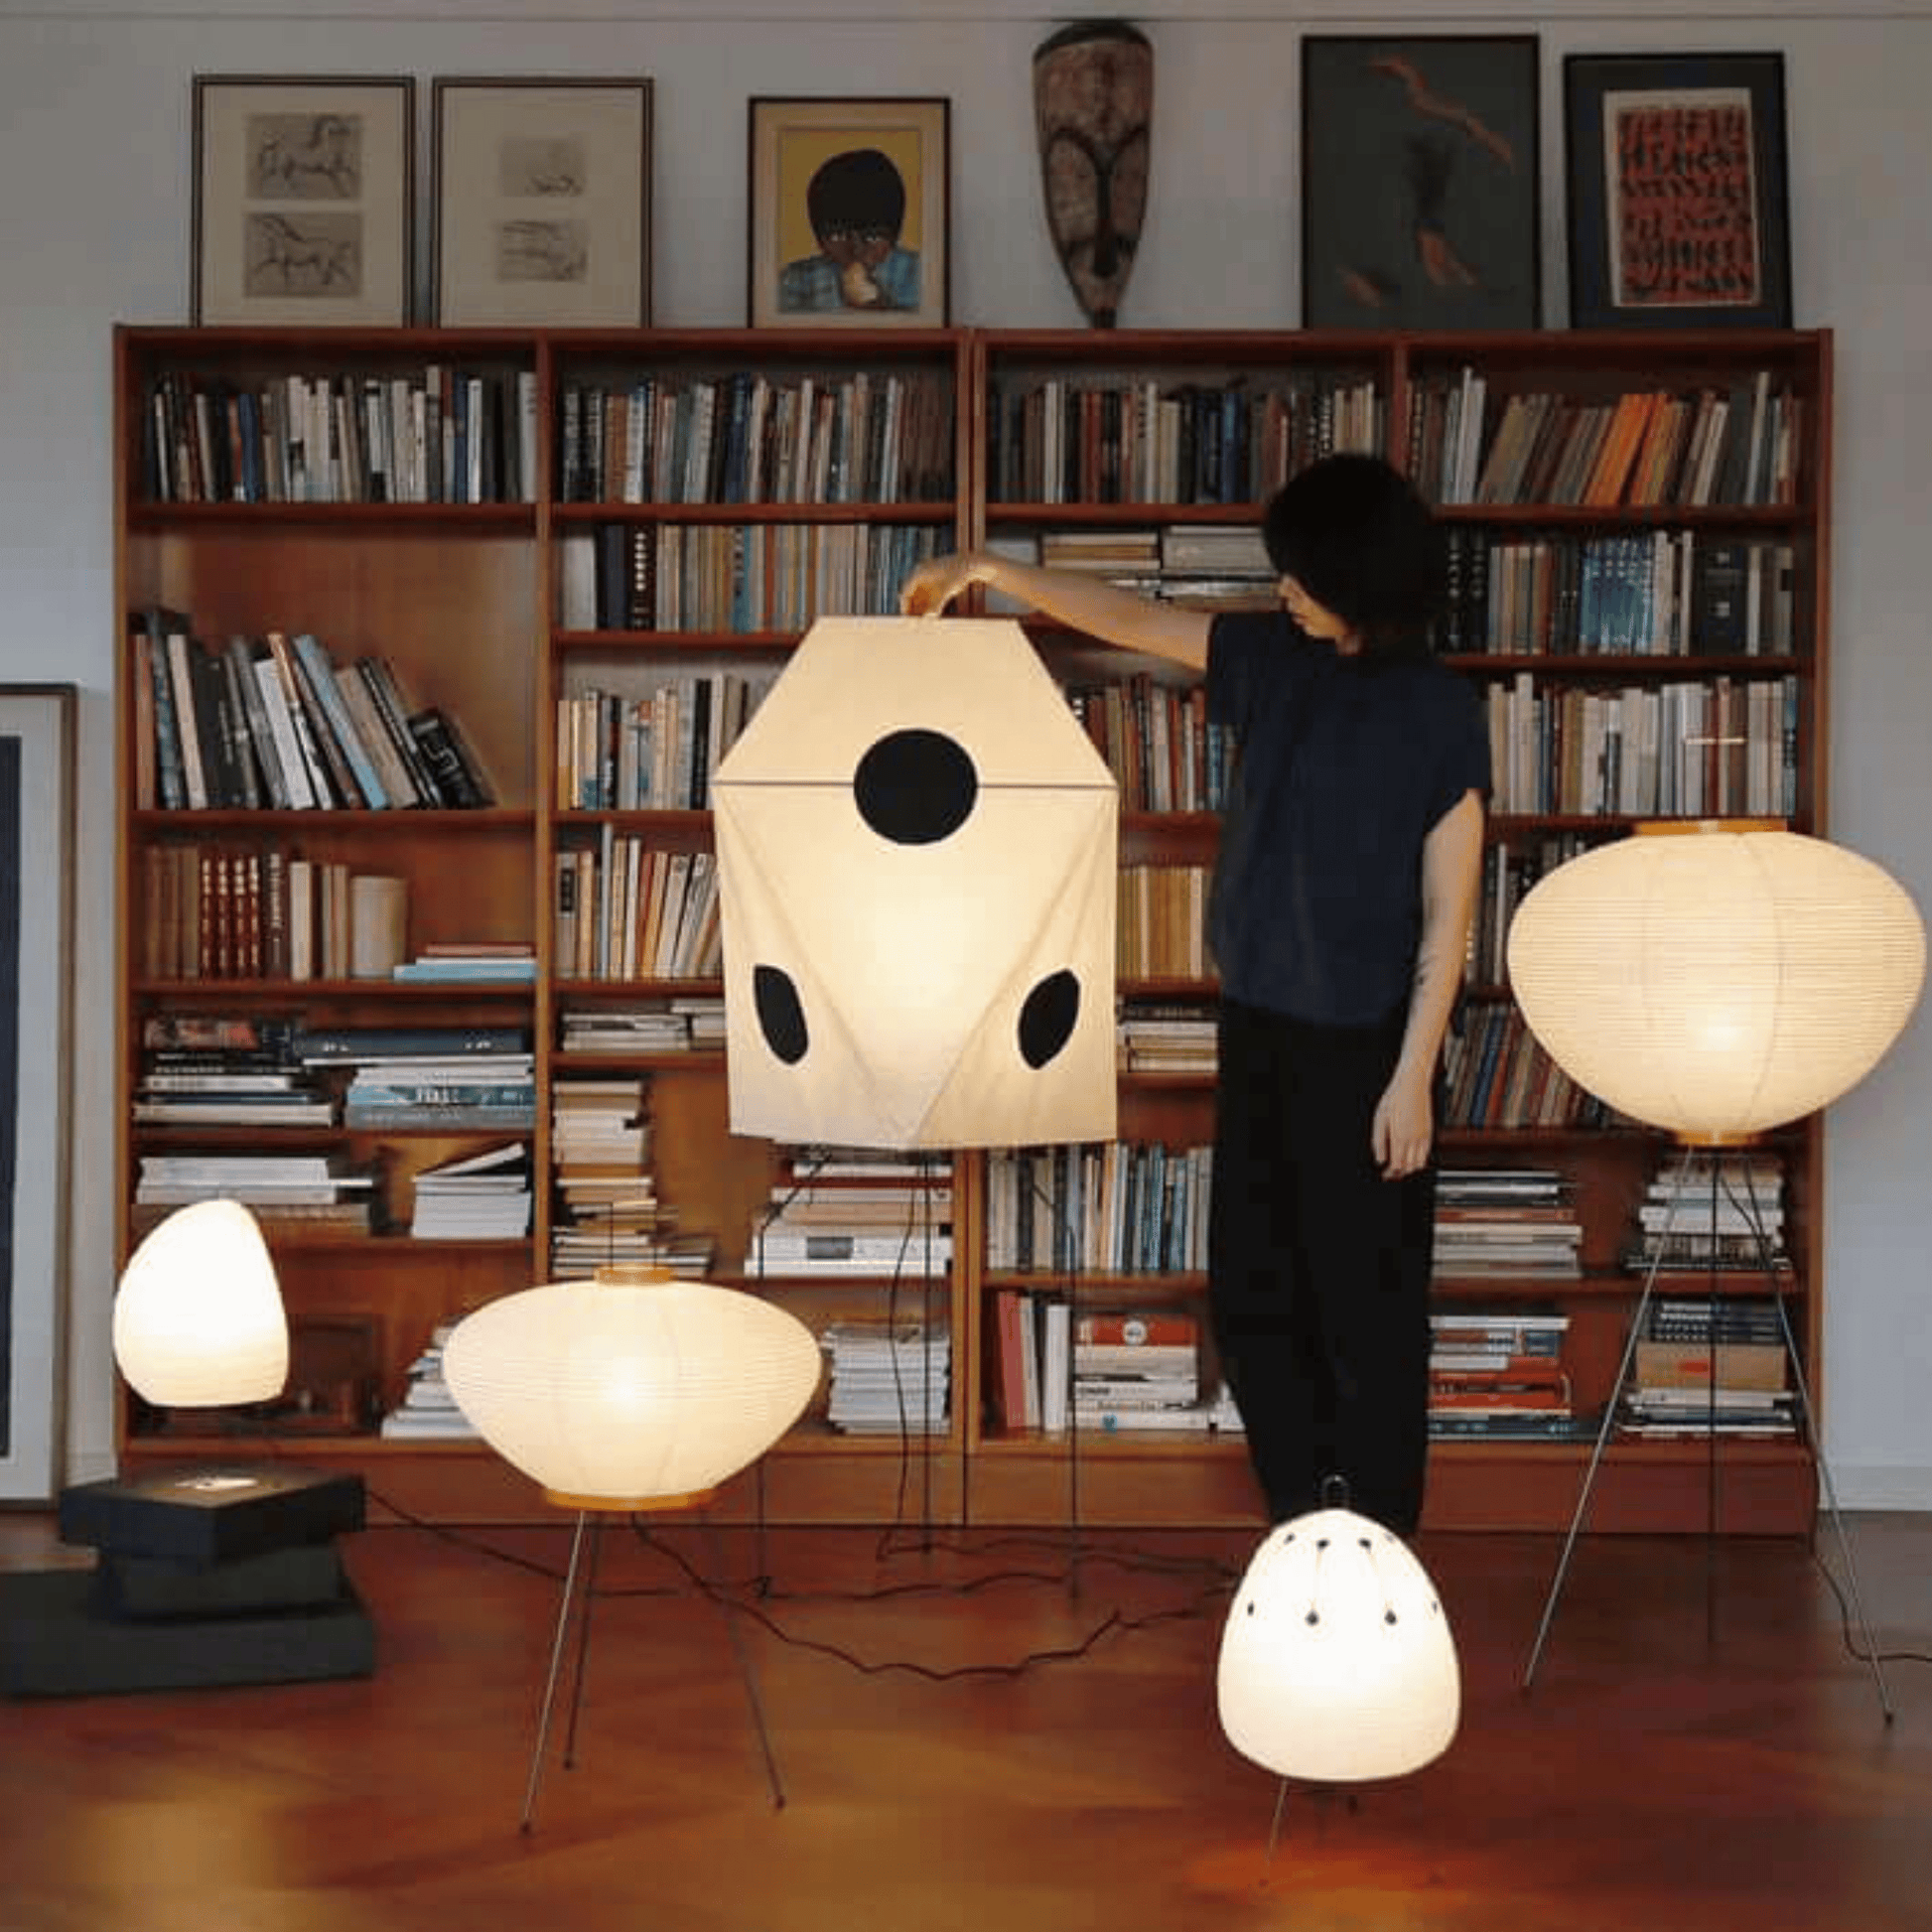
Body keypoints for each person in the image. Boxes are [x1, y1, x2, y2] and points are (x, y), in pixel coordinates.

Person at [898, 453, 1489, 1535]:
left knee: (1367, 1317)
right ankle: (1302, 1530)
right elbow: (1127, 614)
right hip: (1259, 1033)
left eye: (1299, 576)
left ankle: (1377, 1550)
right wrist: (990, 566)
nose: (1280, 590)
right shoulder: (1269, 658)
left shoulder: (1437, 710)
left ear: (1355, 579)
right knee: (1256, 1303)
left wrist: (1411, 1077)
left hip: (1370, 1055)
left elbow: (1451, 911)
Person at [777, 148, 921, 314]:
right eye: (838, 236)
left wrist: (881, 309)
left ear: (894, 238)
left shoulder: (919, 274)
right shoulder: (795, 280)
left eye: (872, 237)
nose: (856, 250)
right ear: (819, 240)